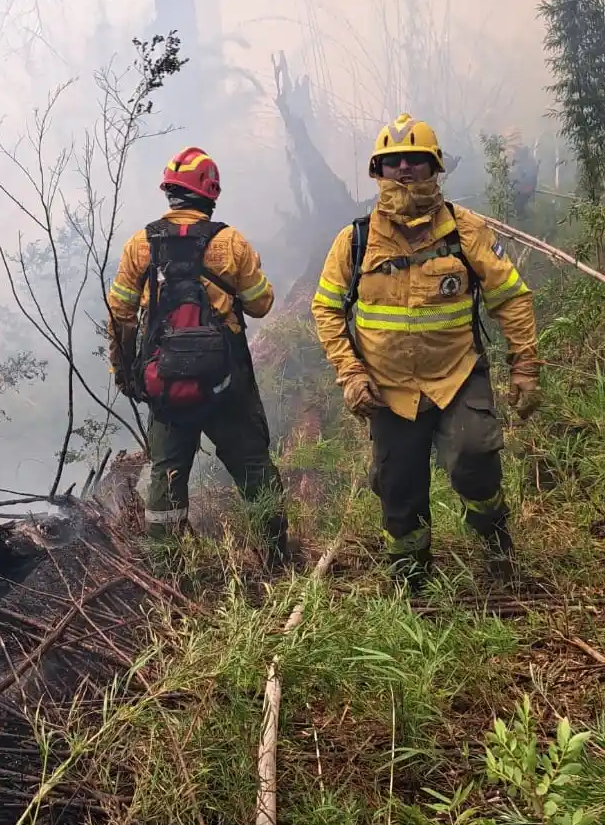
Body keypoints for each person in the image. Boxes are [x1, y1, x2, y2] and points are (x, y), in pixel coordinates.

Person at [311, 114, 539, 586]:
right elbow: (327, 310)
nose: (405, 171)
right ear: (378, 172)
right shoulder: (354, 241)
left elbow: (511, 296)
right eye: (393, 163)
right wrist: (351, 374)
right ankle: (412, 580)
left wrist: (526, 367)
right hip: (389, 390)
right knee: (399, 490)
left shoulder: (464, 230)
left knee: (475, 456)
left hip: (457, 375)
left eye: (416, 161)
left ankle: (495, 538)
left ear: (435, 168)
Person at [108, 146, 288, 565]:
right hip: (227, 385)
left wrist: (127, 373)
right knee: (254, 469)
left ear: (170, 192)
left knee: (165, 479)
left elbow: (119, 314)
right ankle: (277, 559)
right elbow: (261, 304)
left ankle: (167, 571)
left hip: (166, 387)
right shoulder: (230, 242)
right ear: (210, 193)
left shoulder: (140, 244)